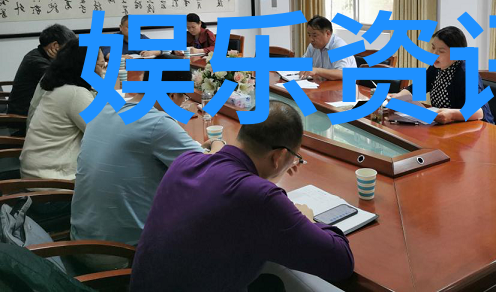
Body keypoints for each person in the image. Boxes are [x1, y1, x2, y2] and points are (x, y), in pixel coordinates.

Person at [130, 100, 354, 292]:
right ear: (278, 157)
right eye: (295, 157)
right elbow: (340, 262)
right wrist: (307, 218)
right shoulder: (260, 197)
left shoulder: (185, 161)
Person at [70, 57, 220, 271]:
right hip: (120, 254)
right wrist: (217, 144)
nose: (183, 104)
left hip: (80, 241)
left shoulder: (105, 108)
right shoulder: (157, 123)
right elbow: (212, 171)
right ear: (171, 94)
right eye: (184, 97)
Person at [20, 39, 101, 182]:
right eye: (101, 65)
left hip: (37, 172)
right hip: (53, 181)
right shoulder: (75, 94)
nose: (103, 70)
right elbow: (103, 134)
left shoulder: (59, 86)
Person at [387, 26, 494, 124]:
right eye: (433, 48)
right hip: (446, 126)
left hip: (476, 129)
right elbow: (415, 88)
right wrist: (398, 96)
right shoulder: (436, 67)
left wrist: (452, 115)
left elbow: (478, 112)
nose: (434, 54)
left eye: (441, 51)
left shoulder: (467, 73)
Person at [7, 24, 76, 117]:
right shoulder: (36, 61)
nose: (71, 53)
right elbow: (66, 82)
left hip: (39, 113)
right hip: (23, 118)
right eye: (69, 48)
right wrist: (60, 60)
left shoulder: (40, 56)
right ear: (55, 46)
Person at [299, 15, 356, 81]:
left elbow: (342, 73)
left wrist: (317, 70)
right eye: (309, 35)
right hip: (323, 84)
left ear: (328, 33)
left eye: (314, 35)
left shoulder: (339, 46)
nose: (311, 39)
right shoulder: (313, 46)